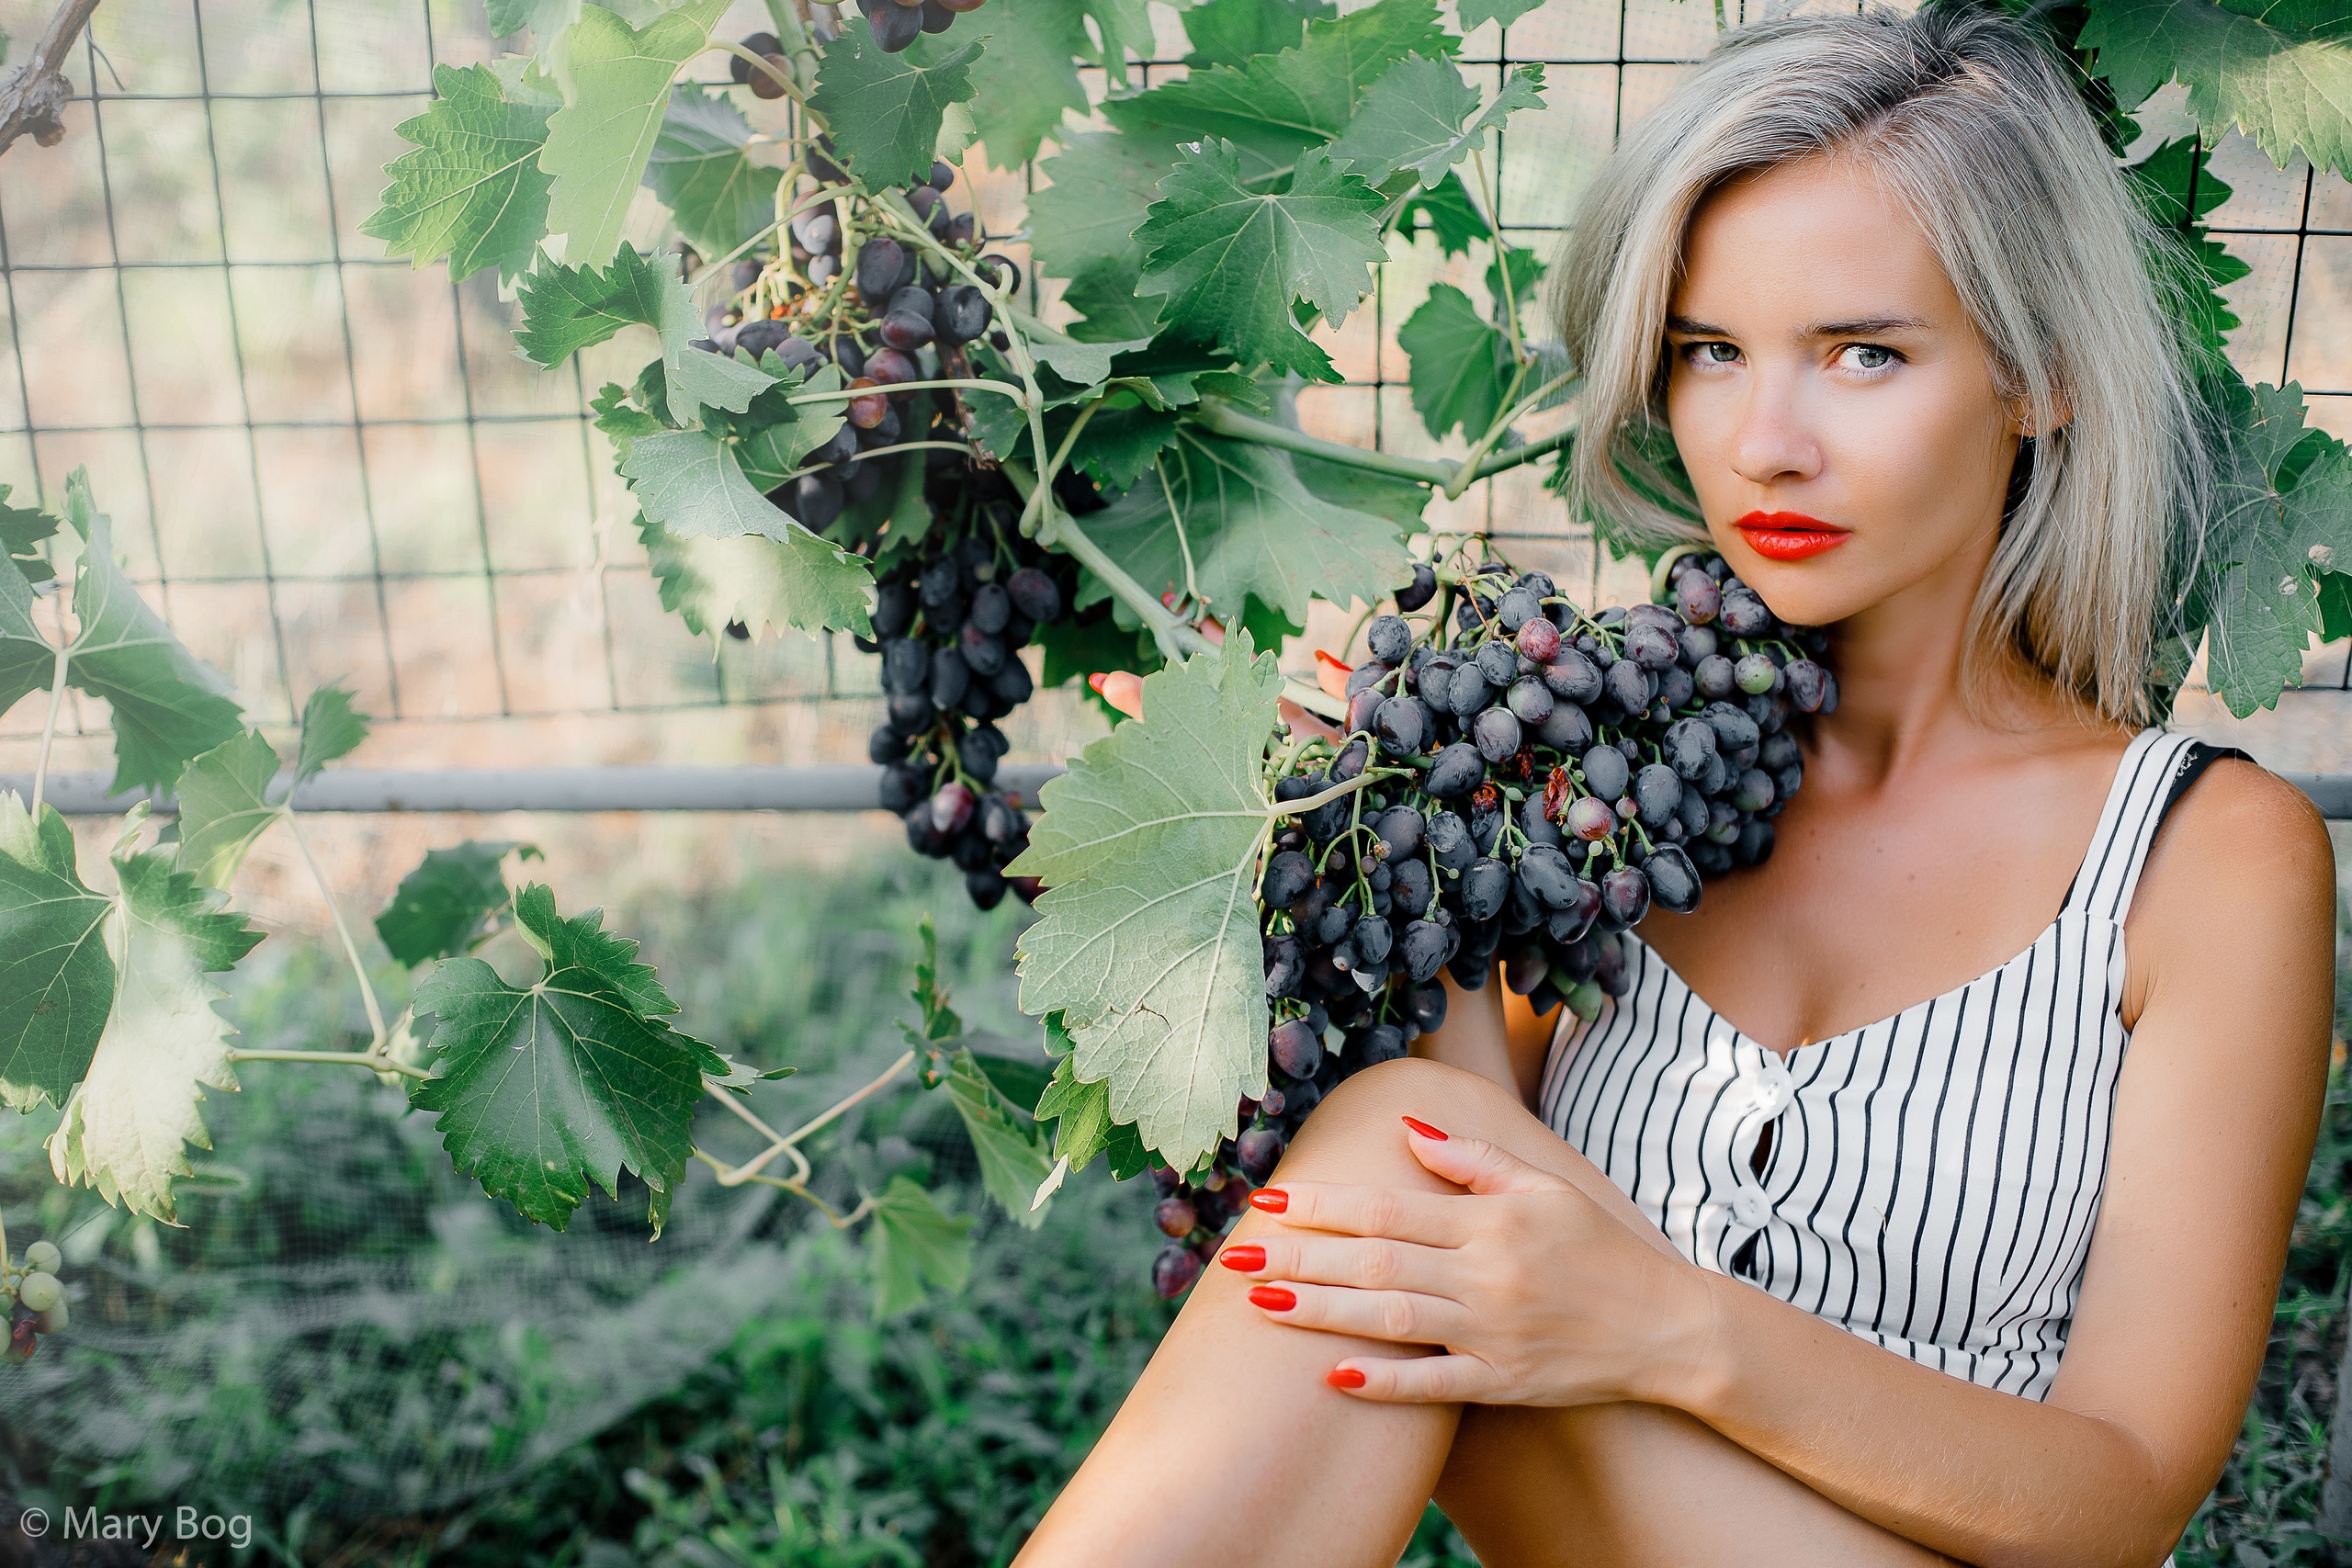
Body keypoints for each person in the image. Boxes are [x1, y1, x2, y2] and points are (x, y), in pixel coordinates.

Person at [1023, 6, 2337, 1564]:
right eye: (1711, 352)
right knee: (1400, 1149)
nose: (1764, 444)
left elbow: (2120, 1502)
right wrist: (1383, 816)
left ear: (2039, 377)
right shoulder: (1619, 784)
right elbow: (1462, 1187)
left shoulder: (2204, 857)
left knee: (1406, 1172)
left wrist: (1666, 1325)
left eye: (1863, 354)